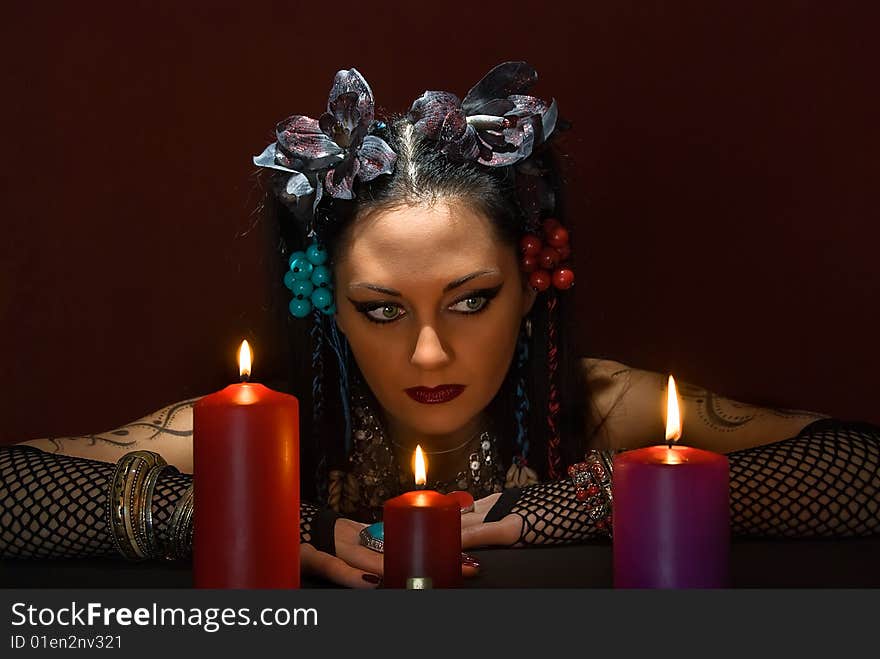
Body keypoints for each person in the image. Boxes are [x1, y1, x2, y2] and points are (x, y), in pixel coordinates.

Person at [2, 62, 878, 588]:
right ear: (327, 301)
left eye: (470, 300)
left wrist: (597, 499)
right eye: (381, 309)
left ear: (535, 283)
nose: (429, 351)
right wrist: (242, 515)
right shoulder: (256, 431)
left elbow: (863, 466)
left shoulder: (606, 406)